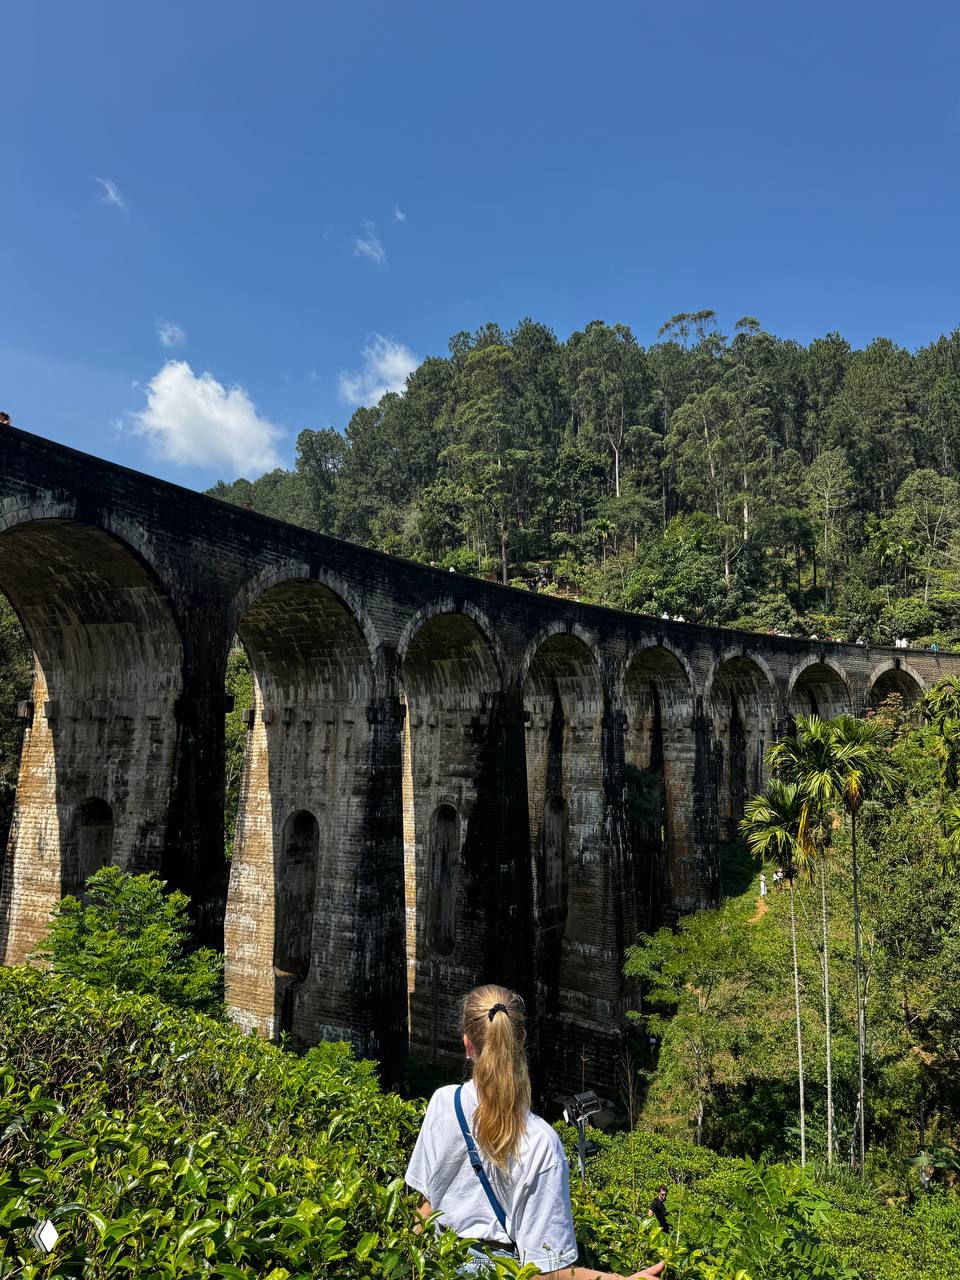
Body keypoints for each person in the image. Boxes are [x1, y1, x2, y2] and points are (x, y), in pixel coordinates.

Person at [406, 984, 665, 1279]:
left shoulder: (442, 1102)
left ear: (467, 1043)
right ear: (522, 1039)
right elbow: (545, 1273)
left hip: (439, 1262)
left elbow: (424, 1209)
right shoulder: (541, 1142)